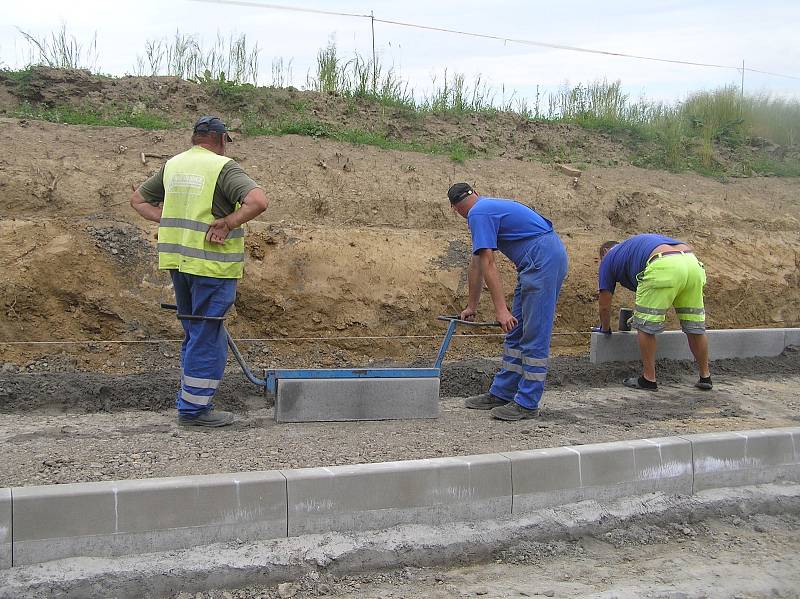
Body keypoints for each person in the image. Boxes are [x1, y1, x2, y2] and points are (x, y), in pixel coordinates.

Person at [130, 116, 268, 427]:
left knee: (195, 333)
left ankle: (191, 401)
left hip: (179, 263)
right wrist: (229, 222)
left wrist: (167, 218)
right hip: (212, 265)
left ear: (195, 138)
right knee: (207, 335)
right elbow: (258, 201)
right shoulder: (222, 167)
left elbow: (137, 200)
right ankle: (194, 411)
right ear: (221, 140)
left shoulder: (173, 165)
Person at [449, 183, 568, 421]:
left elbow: (489, 263)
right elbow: (477, 264)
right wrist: (471, 306)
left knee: (534, 334)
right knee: (516, 332)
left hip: (542, 261)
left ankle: (527, 403)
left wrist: (501, 310)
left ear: (454, 209)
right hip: (535, 261)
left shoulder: (477, 214)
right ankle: (503, 392)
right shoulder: (485, 207)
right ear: (476, 192)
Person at [595, 234, 712, 391]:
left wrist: (605, 328)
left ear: (605, 251)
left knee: (645, 325)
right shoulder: (633, 248)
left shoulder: (609, 258)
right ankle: (705, 376)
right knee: (695, 326)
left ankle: (649, 379)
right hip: (692, 263)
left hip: (663, 265)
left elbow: (604, 304)